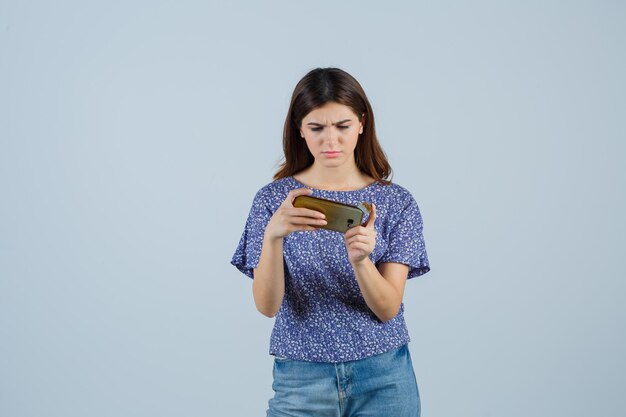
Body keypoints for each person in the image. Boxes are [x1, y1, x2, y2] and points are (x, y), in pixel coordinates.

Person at [231, 67, 430, 417]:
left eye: (342, 126)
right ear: (299, 129)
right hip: (301, 376)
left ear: (362, 124)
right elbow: (267, 307)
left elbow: (387, 308)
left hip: (384, 376)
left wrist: (361, 260)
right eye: (317, 128)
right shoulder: (273, 201)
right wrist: (274, 237)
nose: (331, 141)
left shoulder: (397, 203)